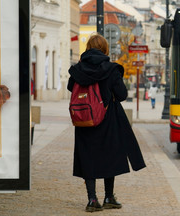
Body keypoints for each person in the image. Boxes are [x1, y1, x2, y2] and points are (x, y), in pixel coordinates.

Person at [67, 33, 146, 212]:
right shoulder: (111, 69)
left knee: (88, 157)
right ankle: (109, 197)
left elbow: (71, 87)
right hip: (108, 120)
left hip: (84, 120)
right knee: (109, 156)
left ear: (87, 48)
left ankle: (92, 199)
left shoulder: (78, 69)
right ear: (105, 49)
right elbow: (122, 95)